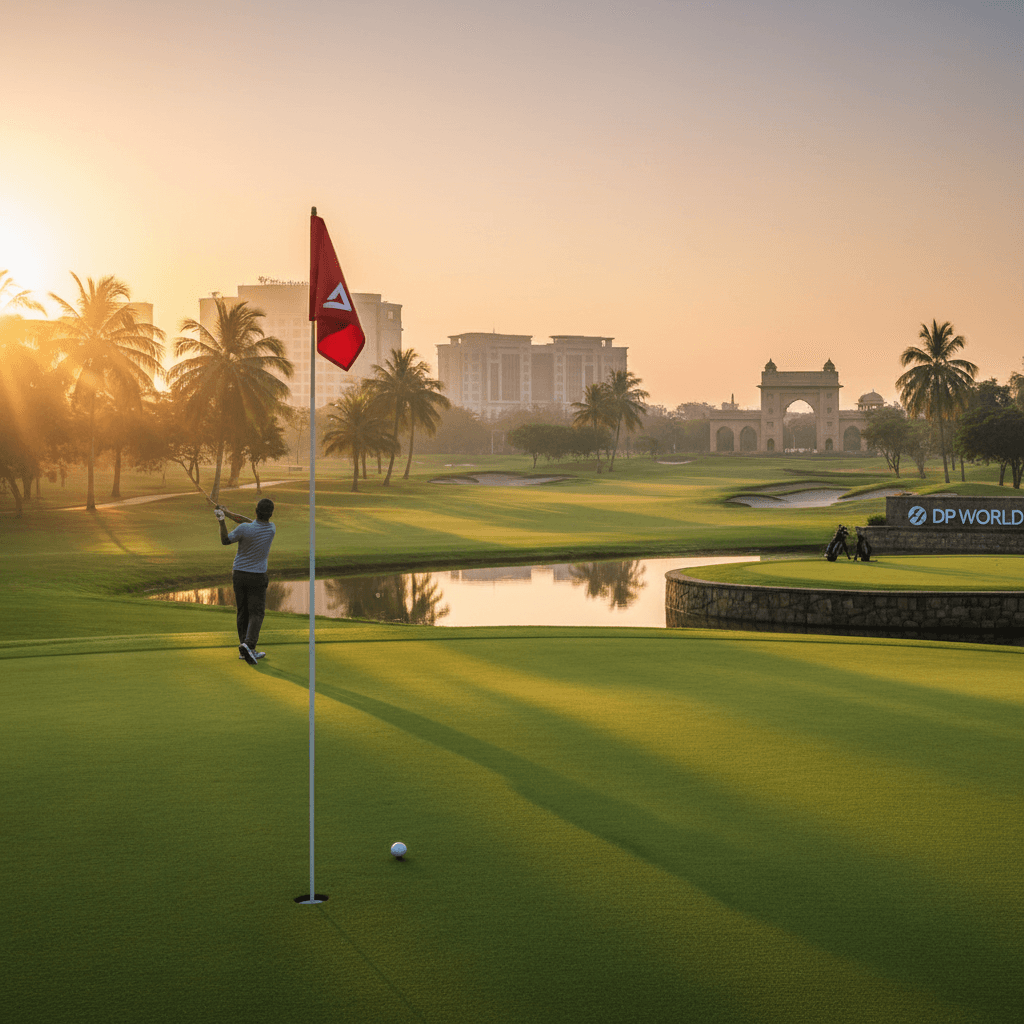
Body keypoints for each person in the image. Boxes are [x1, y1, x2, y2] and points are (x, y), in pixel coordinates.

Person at [216, 497, 276, 665]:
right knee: (257, 613)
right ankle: (249, 646)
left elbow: (225, 540)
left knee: (243, 612)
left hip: (239, 575)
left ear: (256, 511)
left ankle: (245, 648)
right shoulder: (271, 528)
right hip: (257, 576)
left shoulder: (244, 529)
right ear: (271, 514)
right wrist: (228, 513)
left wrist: (222, 520)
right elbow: (249, 521)